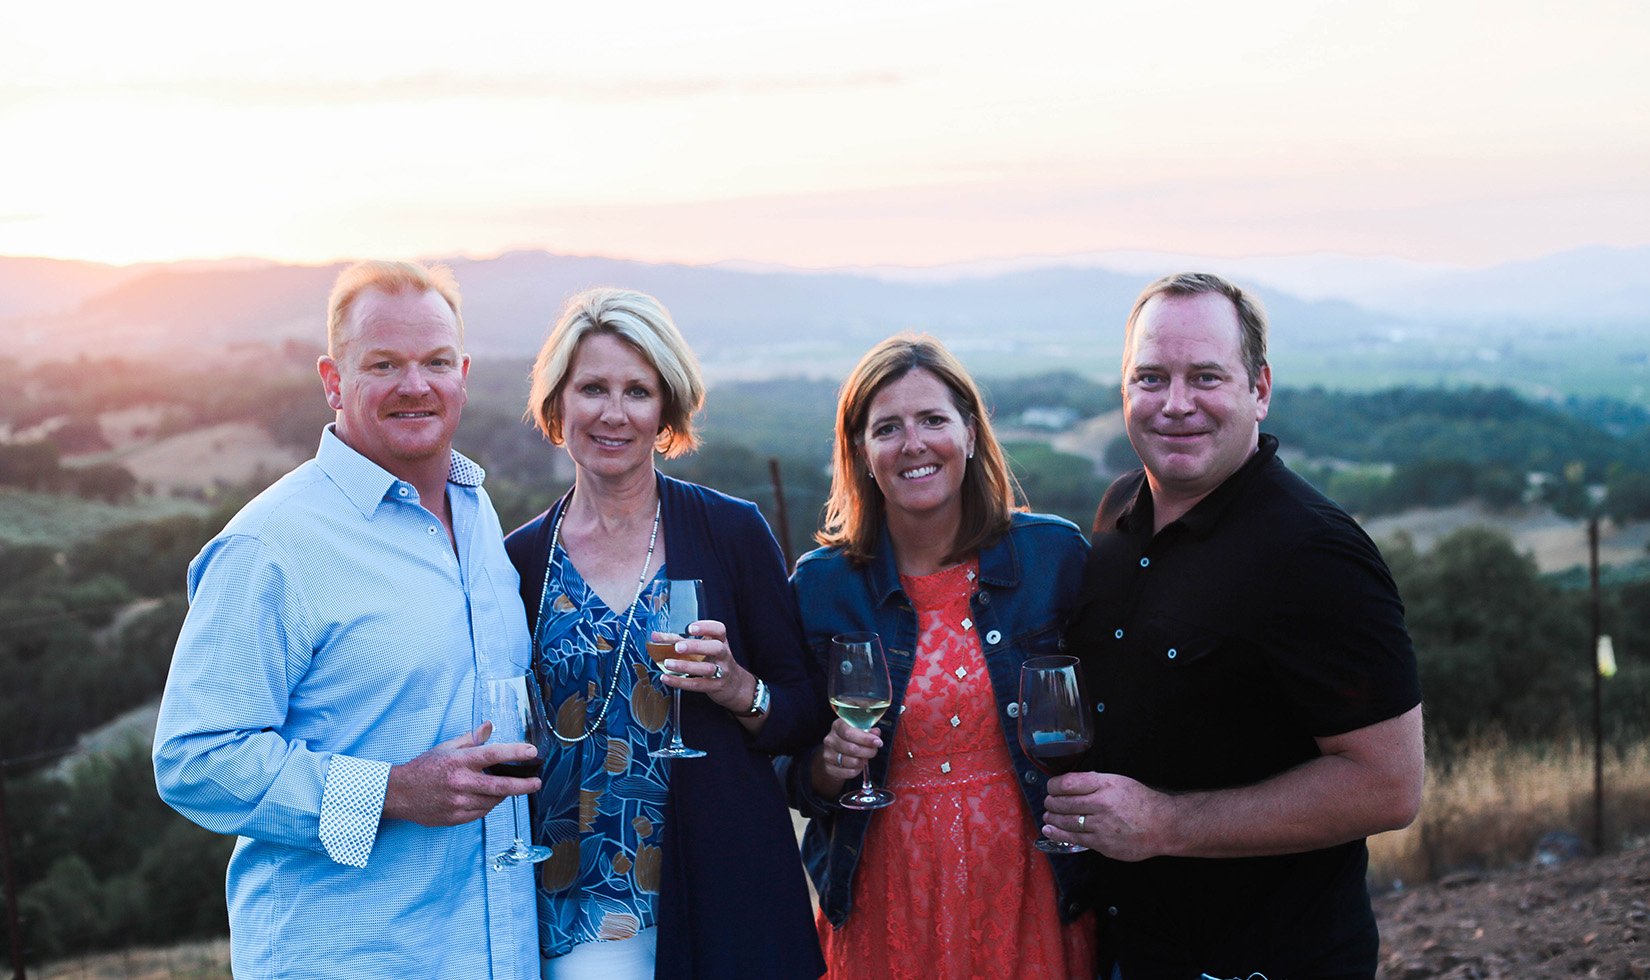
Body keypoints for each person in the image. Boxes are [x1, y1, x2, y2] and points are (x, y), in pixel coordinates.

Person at [153, 261, 541, 978]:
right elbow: (196, 759)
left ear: (464, 374)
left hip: (488, 953)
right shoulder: (272, 544)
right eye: (383, 364)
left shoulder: (478, 513)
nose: (415, 385)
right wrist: (392, 791)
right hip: (346, 956)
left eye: (434, 362)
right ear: (334, 381)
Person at [1044, 272, 1425, 979]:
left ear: (1259, 388)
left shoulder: (1315, 555)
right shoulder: (1118, 511)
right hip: (1132, 948)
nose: (1176, 404)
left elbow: (1389, 785)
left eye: (1206, 377)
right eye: (1151, 377)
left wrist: (1166, 824)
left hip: (1265, 961)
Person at [503, 287, 824, 980]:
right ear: (558, 404)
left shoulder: (731, 532)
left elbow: (804, 710)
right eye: (592, 388)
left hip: (724, 891)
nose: (613, 413)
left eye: (637, 391)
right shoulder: (521, 562)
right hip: (581, 908)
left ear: (666, 411)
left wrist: (741, 689)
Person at [778, 334, 1097, 980]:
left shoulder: (1054, 559)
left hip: (1030, 889)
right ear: (862, 452)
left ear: (971, 433)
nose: (913, 444)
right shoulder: (821, 586)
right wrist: (827, 768)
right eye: (887, 427)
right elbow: (789, 768)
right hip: (886, 899)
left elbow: (1116, 712)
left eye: (932, 420)